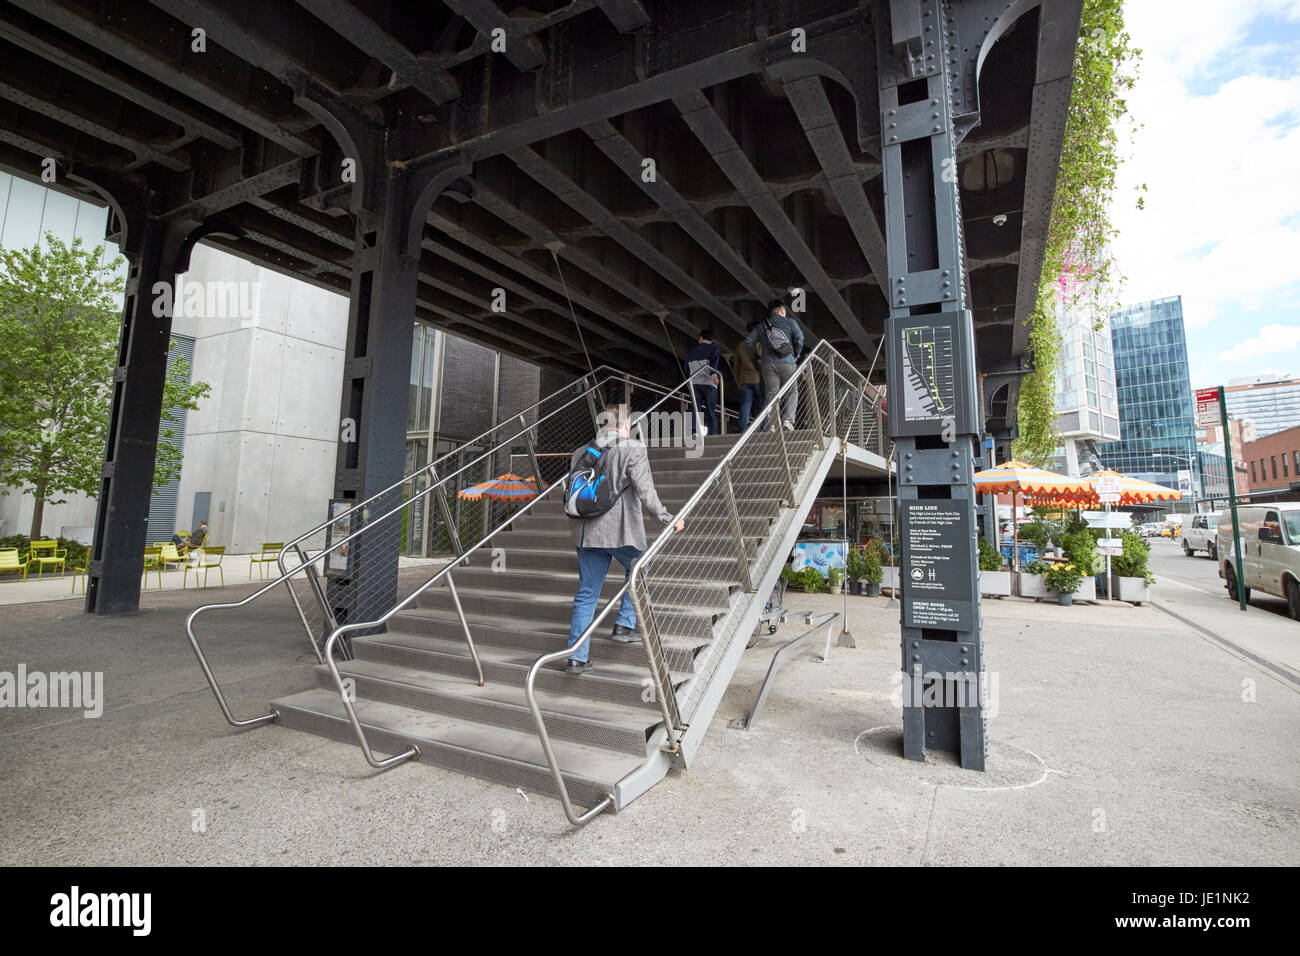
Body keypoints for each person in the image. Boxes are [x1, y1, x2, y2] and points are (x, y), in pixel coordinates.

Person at [565, 402, 685, 674]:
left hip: (586, 532)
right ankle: (624, 625)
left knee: (586, 594)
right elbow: (646, 491)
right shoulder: (633, 449)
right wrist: (667, 518)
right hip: (620, 532)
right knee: (638, 569)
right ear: (625, 425)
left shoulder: (581, 452)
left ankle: (576, 658)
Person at [745, 299, 804, 430]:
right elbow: (800, 338)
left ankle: (772, 424)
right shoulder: (790, 322)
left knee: (771, 394)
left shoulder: (762, 326)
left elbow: (749, 342)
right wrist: (797, 354)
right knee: (792, 391)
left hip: (768, 364)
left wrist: (757, 358)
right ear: (782, 310)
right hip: (787, 362)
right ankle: (788, 421)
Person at [683, 328, 721, 436]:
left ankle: (694, 431)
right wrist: (714, 377)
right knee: (710, 409)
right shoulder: (713, 349)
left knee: (695, 408)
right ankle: (712, 433)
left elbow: (686, 368)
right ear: (711, 340)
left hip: (694, 383)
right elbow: (713, 365)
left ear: (700, 338)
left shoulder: (691, 352)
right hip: (709, 383)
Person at [732, 321, 766, 431]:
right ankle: (764, 428)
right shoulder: (760, 344)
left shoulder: (740, 345)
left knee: (746, 403)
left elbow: (737, 364)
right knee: (762, 404)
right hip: (758, 378)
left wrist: (738, 379)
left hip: (744, 379)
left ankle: (743, 427)